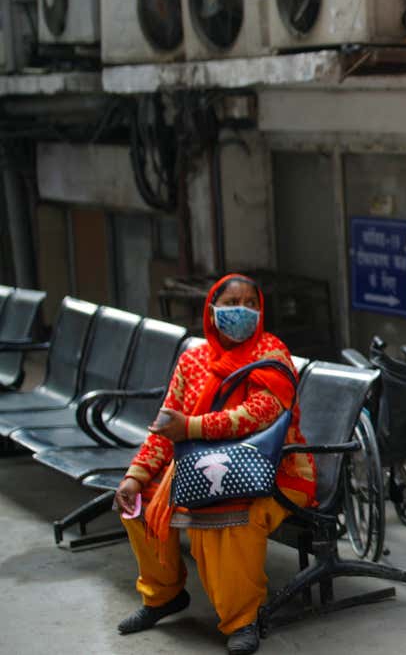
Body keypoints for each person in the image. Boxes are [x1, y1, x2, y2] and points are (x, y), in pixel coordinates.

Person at [114, 274, 316, 655]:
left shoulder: (271, 354)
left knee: (227, 516)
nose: (242, 310)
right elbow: (164, 428)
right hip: (203, 464)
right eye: (231, 302)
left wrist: (190, 427)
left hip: (273, 469)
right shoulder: (193, 360)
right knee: (140, 504)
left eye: (251, 304)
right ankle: (163, 595)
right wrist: (134, 475)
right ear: (212, 310)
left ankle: (243, 618)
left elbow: (259, 415)